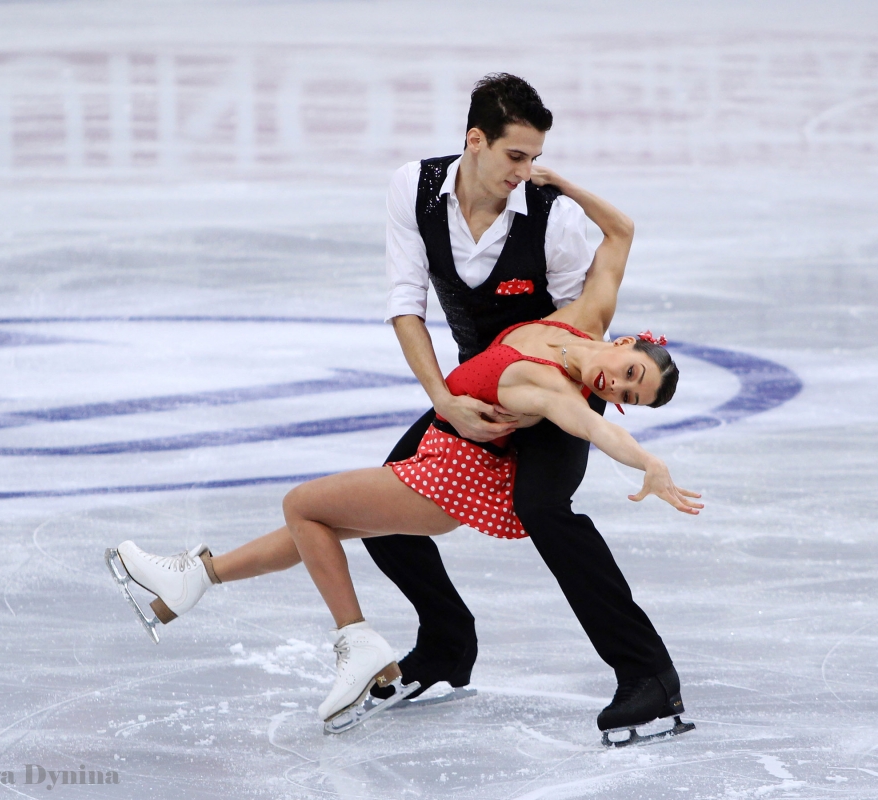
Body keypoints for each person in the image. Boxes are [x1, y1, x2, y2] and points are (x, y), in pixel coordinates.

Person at [107, 157, 702, 731]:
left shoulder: (553, 387)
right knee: (344, 522)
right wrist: (559, 179)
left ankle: (645, 673)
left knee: (530, 510)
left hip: (458, 465)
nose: (617, 386)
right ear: (625, 342)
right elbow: (622, 229)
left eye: (630, 395)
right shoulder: (586, 314)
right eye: (630, 372)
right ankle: (201, 577)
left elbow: (595, 425)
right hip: (453, 429)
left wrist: (648, 461)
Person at [364, 73, 692, 734]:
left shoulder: (556, 220)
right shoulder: (415, 188)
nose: (527, 170)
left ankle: (648, 674)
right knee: (381, 506)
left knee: (543, 505)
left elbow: (582, 336)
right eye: (517, 155)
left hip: (557, 383)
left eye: (536, 158)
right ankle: (447, 643)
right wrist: (444, 402)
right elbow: (407, 304)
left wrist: (576, 411)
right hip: (476, 386)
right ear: (475, 141)